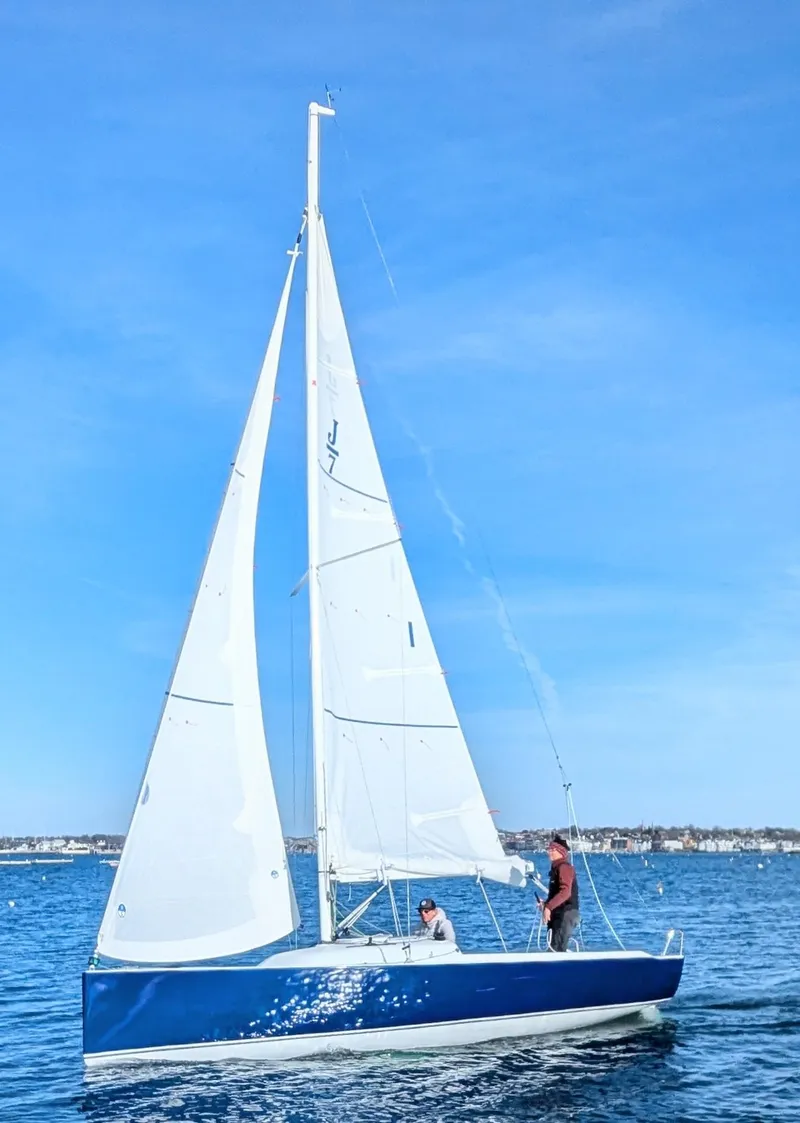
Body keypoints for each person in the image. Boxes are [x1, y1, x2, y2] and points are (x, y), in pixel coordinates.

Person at [539, 836, 580, 952]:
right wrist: (546, 904)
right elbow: (558, 894)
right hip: (558, 914)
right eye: (549, 849)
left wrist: (549, 907)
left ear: (561, 852)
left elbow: (565, 892)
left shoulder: (564, 868)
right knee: (553, 948)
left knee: (557, 950)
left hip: (566, 913)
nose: (549, 852)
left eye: (552, 850)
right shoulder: (556, 869)